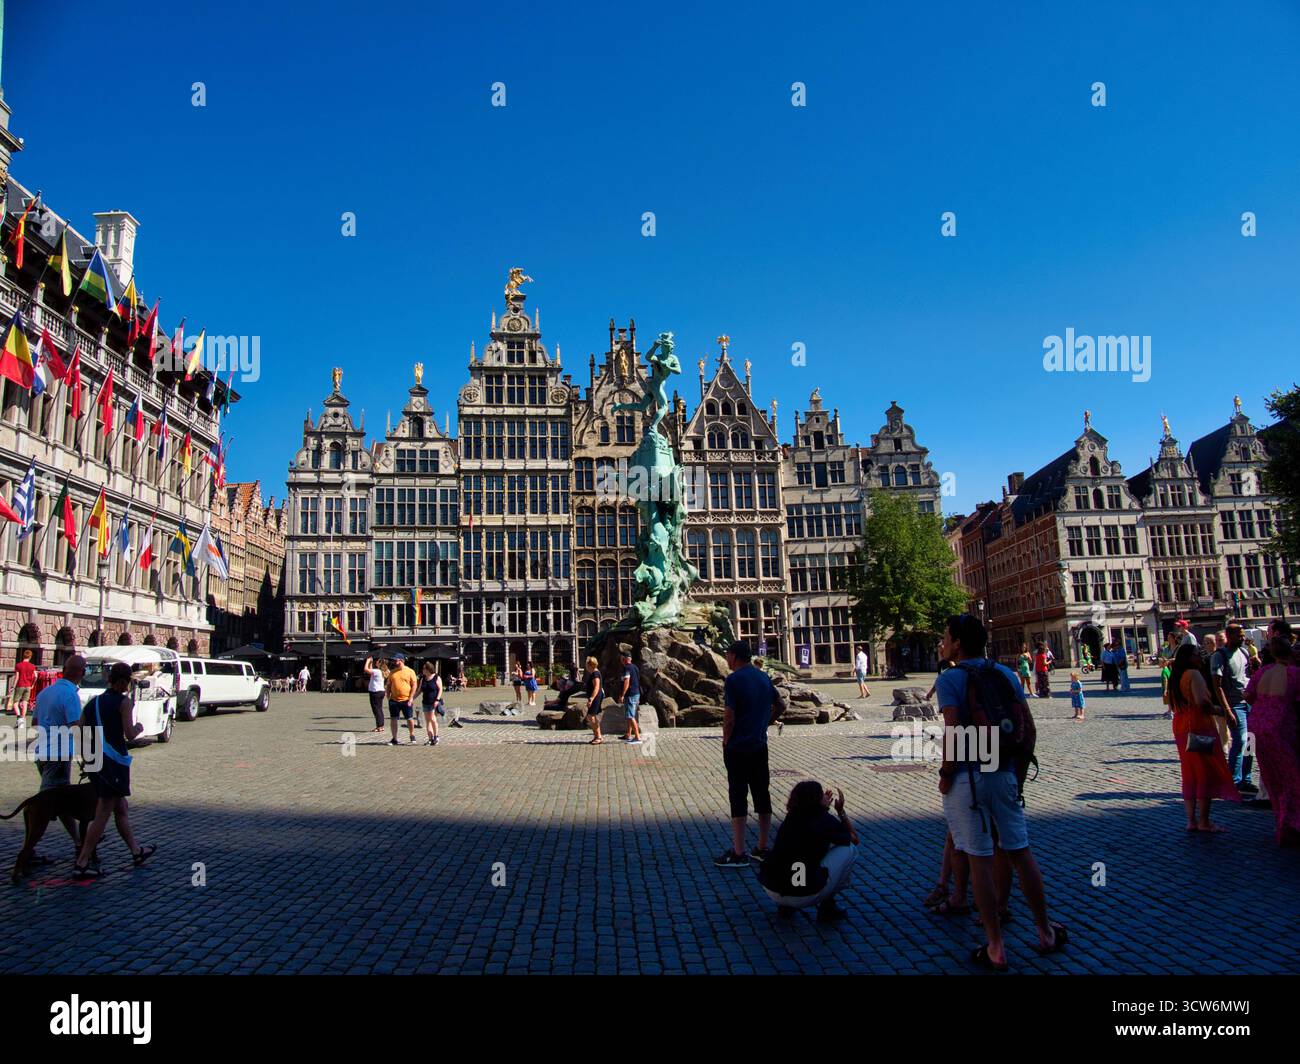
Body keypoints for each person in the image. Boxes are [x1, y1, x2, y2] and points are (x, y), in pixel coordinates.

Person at [936, 614, 1066, 971]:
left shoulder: (952, 678)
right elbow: (1029, 729)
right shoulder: (1006, 674)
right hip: (1004, 772)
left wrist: (947, 772)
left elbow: (953, 730)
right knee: (1020, 851)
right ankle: (1044, 931)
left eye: (946, 636)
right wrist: (1017, 775)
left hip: (969, 778)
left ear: (959, 643)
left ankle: (995, 946)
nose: (943, 641)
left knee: (980, 857)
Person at [72, 662, 156, 879]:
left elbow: (79, 730)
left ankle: (136, 851)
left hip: (95, 761)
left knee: (121, 808)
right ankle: (82, 863)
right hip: (114, 763)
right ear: (124, 681)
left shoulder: (94, 702)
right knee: (103, 813)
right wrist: (139, 728)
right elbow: (129, 734)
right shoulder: (124, 702)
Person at [715, 641, 782, 869]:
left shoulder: (733, 680)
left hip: (738, 747)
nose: (726, 658)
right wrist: (765, 724)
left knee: (738, 796)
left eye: (727, 655)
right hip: (759, 745)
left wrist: (726, 740)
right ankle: (762, 847)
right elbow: (781, 704)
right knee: (762, 794)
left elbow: (729, 717)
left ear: (734, 656)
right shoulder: (763, 677)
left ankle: (739, 851)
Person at [757, 781, 859, 923]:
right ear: (816, 800)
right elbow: (853, 839)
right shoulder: (824, 820)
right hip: (804, 894)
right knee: (849, 850)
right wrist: (840, 812)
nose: (825, 796)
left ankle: (785, 906)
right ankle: (827, 906)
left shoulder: (790, 817)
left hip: (773, 888)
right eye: (821, 794)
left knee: (795, 853)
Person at [1168, 643, 1238, 832]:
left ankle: (1191, 820)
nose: (1201, 657)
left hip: (1182, 726)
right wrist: (1221, 710)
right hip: (1198, 726)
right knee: (1204, 772)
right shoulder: (1194, 674)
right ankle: (1204, 821)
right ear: (1189, 658)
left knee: (1189, 773)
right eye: (1197, 654)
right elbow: (1202, 703)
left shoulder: (1175, 676)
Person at [1243, 636, 1300, 846]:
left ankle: (1282, 822)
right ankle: (1294, 824)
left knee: (1273, 778)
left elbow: (1248, 696)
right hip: (1281, 727)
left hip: (1258, 727)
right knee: (1293, 777)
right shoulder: (1294, 673)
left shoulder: (1262, 672)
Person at [32, 654, 85, 793]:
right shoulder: (70, 694)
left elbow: (35, 723)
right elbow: (76, 728)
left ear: (64, 669)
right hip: (59, 755)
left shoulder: (44, 692)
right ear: (82, 673)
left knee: (61, 801)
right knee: (49, 799)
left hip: (42, 752)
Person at [1212, 624, 1254, 795]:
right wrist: (1227, 710)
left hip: (1249, 702)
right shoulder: (1219, 656)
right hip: (1234, 704)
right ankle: (1232, 781)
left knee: (1251, 741)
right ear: (1229, 636)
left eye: (1243, 635)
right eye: (1239, 635)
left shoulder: (1244, 652)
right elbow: (1217, 686)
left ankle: (1246, 778)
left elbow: (1247, 676)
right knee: (1240, 740)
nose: (1242, 638)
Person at [385, 652, 419, 746]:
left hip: (406, 699)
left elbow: (414, 685)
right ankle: (394, 738)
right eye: (394, 660)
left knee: (409, 718)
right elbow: (388, 685)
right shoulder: (392, 672)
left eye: (396, 660)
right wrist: (388, 695)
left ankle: (412, 735)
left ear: (402, 661)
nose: (395, 662)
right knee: (393, 719)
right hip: (394, 700)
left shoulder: (410, 671)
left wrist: (411, 698)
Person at [614, 649, 641, 745]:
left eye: (621, 658)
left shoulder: (627, 668)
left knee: (630, 715)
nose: (620, 660)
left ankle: (637, 737)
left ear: (625, 659)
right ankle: (628, 734)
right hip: (636, 693)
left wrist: (622, 694)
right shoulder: (635, 667)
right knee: (630, 715)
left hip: (630, 694)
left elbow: (626, 681)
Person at [577, 657, 604, 744]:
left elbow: (596, 687)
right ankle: (597, 736)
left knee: (591, 716)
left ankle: (598, 736)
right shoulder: (594, 673)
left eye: (587, 665)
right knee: (592, 716)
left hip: (595, 698)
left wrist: (591, 698)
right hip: (595, 697)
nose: (586, 667)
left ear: (591, 665)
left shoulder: (595, 674)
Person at [415, 661, 443, 747]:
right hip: (425, 702)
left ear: (428, 669)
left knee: (433, 719)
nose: (422, 670)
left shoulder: (436, 678)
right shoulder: (423, 678)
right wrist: (412, 698)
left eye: (424, 668)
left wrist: (437, 700)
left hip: (433, 701)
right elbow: (419, 690)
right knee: (427, 721)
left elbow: (440, 689)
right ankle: (430, 739)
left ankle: (436, 736)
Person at [11, 649, 37, 726]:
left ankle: (19, 718)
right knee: (25, 703)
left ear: (23, 655)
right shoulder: (32, 666)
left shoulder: (18, 665)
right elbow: (35, 676)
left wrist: (13, 686)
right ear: (30, 657)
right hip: (28, 686)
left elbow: (17, 677)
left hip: (20, 685)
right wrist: (32, 684)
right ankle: (22, 719)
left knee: (15, 703)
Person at [362, 654, 387, 733]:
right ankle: (381, 726)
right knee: (379, 709)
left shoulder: (377, 671)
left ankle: (379, 726)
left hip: (375, 692)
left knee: (376, 710)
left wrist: (367, 661)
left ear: (379, 664)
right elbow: (370, 670)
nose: (376, 662)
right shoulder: (382, 671)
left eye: (377, 662)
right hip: (381, 691)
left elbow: (366, 669)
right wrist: (370, 663)